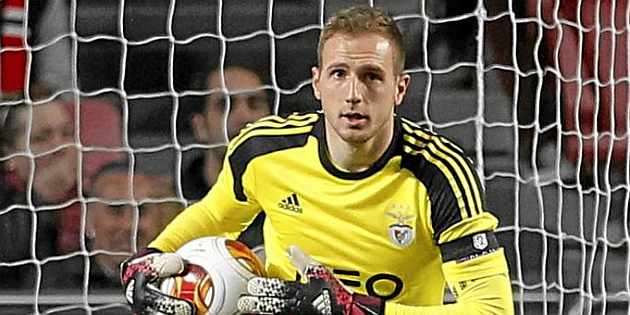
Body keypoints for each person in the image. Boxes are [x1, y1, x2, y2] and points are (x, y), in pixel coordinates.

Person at [121, 6, 513, 315]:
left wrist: (358, 310)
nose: (354, 93)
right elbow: (214, 214)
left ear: (400, 88)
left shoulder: (440, 174)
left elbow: (492, 308)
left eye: (372, 76)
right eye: (339, 74)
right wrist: (148, 257)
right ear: (317, 83)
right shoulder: (264, 150)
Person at [55, 160, 181, 289]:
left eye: (141, 211)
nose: (128, 225)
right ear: (89, 219)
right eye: (115, 210)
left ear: (159, 219)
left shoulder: (178, 282)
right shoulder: (54, 286)